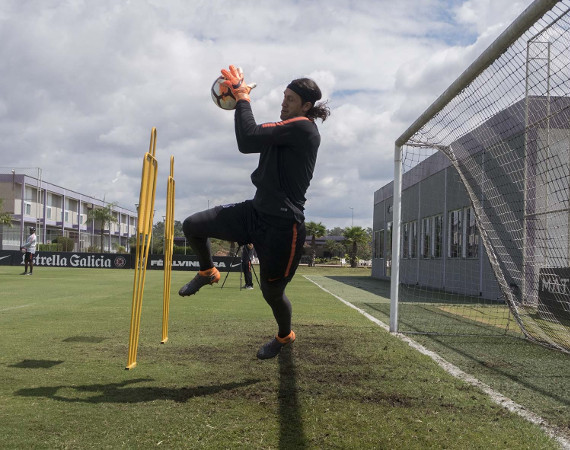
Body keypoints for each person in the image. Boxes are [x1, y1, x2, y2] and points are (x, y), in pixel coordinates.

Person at [179, 65, 330, 359]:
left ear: (306, 106)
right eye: (283, 96)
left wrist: (243, 98)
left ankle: (284, 337)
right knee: (193, 225)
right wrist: (241, 100)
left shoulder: (303, 128)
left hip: (283, 227)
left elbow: (246, 139)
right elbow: (249, 139)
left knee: (272, 294)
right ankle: (208, 271)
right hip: (255, 211)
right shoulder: (285, 129)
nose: (283, 102)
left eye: (290, 99)